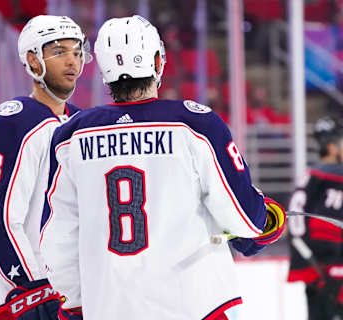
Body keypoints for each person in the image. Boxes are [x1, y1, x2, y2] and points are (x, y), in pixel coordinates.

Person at [40, 15, 286, 320]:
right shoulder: (195, 123)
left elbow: (56, 238)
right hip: (195, 307)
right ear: (158, 61)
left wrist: (76, 303)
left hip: (110, 308)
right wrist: (266, 216)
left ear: (102, 68)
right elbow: (246, 221)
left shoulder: (70, 135)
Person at [0, 15, 91, 320]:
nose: (72, 62)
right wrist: (33, 287)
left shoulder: (80, 123)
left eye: (77, 52)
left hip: (65, 298)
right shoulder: (14, 122)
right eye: (59, 51)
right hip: (19, 302)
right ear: (33, 60)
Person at [287, 117, 343, 319]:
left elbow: (295, 227)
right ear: (332, 147)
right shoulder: (334, 177)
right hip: (328, 269)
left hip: (316, 268)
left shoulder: (311, 174)